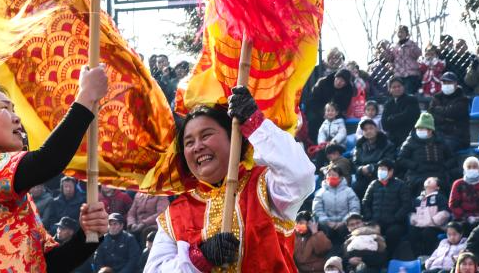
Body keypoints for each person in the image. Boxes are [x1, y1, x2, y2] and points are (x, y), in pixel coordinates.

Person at [0, 68, 110, 273]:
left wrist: (88, 234)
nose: (17, 118)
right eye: (4, 108)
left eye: (14, 110)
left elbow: (50, 264)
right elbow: (47, 161)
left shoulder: (11, 189)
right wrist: (86, 97)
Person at [143, 87, 315, 272]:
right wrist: (199, 258)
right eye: (189, 142)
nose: (197, 147)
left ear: (233, 139)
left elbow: (300, 176)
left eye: (206, 135)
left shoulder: (263, 185)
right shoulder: (175, 214)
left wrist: (254, 122)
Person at [360, 159, 409, 257]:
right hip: (375, 221)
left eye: (383, 169)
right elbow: (365, 202)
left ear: (391, 171)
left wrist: (396, 218)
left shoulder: (400, 185)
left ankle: (389, 257)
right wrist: (370, 217)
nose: (380, 171)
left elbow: (406, 204)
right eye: (379, 169)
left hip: (394, 222)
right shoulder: (374, 184)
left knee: (393, 233)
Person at [396, 111, 455, 193]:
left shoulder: (440, 141)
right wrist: (415, 166)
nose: (419, 130)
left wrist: (444, 166)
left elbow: (451, 158)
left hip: (438, 174)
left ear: (430, 130)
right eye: (418, 128)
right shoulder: (410, 141)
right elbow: (401, 159)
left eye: (422, 128)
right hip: (417, 175)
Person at [312, 165, 359, 248]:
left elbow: (354, 209)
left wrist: (344, 221)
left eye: (334, 175)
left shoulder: (349, 191)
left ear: (340, 177)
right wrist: (327, 222)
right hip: (327, 225)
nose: (331, 177)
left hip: (345, 225)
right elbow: (317, 210)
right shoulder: (320, 192)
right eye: (329, 175)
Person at [352, 118, 395, 199]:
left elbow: (389, 162)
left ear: (376, 129)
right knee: (355, 188)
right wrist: (361, 169)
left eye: (371, 128)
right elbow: (355, 164)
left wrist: (372, 168)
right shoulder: (359, 145)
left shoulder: (387, 145)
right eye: (365, 129)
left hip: (380, 177)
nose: (368, 131)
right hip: (363, 178)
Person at [409, 176, 451, 256]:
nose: (428, 180)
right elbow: (412, 212)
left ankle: (429, 255)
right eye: (427, 179)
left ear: (437, 187)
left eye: (432, 180)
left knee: (428, 233)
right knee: (412, 232)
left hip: (435, 227)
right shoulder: (418, 199)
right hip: (419, 225)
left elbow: (445, 212)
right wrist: (415, 220)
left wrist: (432, 221)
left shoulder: (440, 197)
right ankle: (418, 256)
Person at [429, 72, 471, 152]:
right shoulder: (437, 97)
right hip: (439, 134)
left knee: (444, 147)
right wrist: (446, 117)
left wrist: (438, 111)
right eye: (444, 83)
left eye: (449, 82)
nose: (446, 85)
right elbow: (431, 115)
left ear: (456, 84)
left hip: (458, 138)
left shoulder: (463, 99)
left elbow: (452, 113)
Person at [449, 156, 479, 226]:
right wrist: (466, 217)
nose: (472, 169)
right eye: (469, 167)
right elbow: (453, 204)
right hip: (462, 218)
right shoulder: (458, 184)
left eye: (475, 167)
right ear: (465, 169)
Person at [381, 77, 420, 144]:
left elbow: (409, 117)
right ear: (389, 90)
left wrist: (391, 118)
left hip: (409, 138)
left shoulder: (411, 100)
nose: (397, 89)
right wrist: (399, 118)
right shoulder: (388, 104)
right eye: (394, 87)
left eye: (399, 86)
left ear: (403, 87)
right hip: (392, 139)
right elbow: (384, 125)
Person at [391, 25, 423, 96]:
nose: (400, 34)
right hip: (399, 74)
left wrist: (410, 47)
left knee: (409, 94)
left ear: (407, 34)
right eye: (399, 32)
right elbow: (391, 58)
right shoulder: (395, 46)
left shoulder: (412, 44)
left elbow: (418, 54)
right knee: (399, 93)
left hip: (410, 73)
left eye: (402, 32)